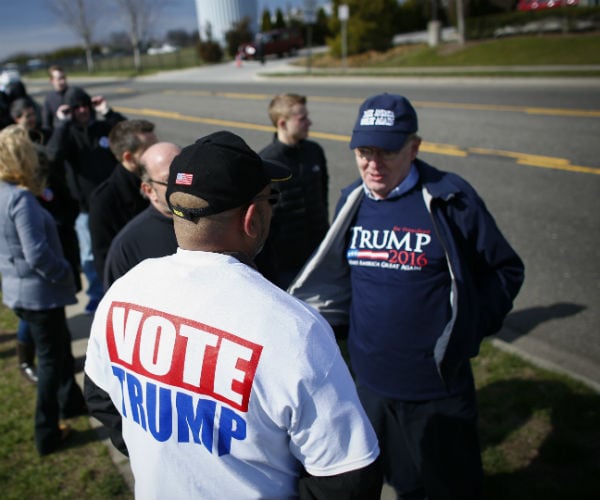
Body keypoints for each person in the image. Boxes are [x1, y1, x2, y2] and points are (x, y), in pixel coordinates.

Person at [84, 130, 382, 499]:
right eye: (270, 198)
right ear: (252, 218)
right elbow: (348, 476)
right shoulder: (293, 330)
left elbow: (99, 394)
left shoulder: (123, 293)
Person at [289, 93, 526, 499]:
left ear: (414, 148)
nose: (373, 164)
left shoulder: (452, 200)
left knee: (452, 487)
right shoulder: (353, 199)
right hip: (371, 385)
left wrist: (468, 327)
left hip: (437, 388)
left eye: (387, 151)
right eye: (364, 152)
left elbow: (504, 270)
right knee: (402, 484)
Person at [0, 125, 86, 455]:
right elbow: (36, 253)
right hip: (38, 292)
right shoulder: (20, 198)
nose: (37, 156)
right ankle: (46, 432)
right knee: (50, 360)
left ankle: (71, 403)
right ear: (20, 157)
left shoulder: (5, 191)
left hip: (19, 290)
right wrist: (64, 271)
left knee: (60, 348)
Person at [10, 97, 82, 383]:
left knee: (53, 317)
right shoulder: (17, 193)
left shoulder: (43, 161)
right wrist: (61, 271)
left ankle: (62, 362)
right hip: (34, 269)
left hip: (57, 239)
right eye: (24, 115)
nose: (30, 118)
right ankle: (26, 360)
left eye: (32, 113)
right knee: (34, 315)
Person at [48, 86, 126, 313]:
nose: (82, 110)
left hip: (114, 204)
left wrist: (108, 112)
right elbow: (53, 154)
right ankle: (95, 294)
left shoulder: (103, 128)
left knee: (119, 246)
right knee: (90, 255)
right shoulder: (68, 135)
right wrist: (62, 124)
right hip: (86, 209)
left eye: (86, 105)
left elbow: (131, 135)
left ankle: (121, 288)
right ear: (70, 110)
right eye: (77, 107)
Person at [257, 93, 329, 289]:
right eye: (302, 118)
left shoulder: (315, 152)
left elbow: (323, 198)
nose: (309, 122)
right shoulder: (266, 162)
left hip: (318, 256)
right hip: (284, 267)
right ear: (282, 123)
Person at [103, 142, 180, 289]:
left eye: (185, 175)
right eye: (170, 180)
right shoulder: (127, 246)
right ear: (149, 190)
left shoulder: (215, 222)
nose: (182, 184)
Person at [88, 119, 158, 280]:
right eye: (149, 150)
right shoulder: (105, 201)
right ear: (128, 157)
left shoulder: (161, 183)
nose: (157, 154)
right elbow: (105, 262)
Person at [42, 65, 75, 130]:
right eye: (59, 79)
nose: (63, 81)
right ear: (51, 80)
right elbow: (47, 124)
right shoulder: (49, 98)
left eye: (64, 78)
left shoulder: (74, 93)